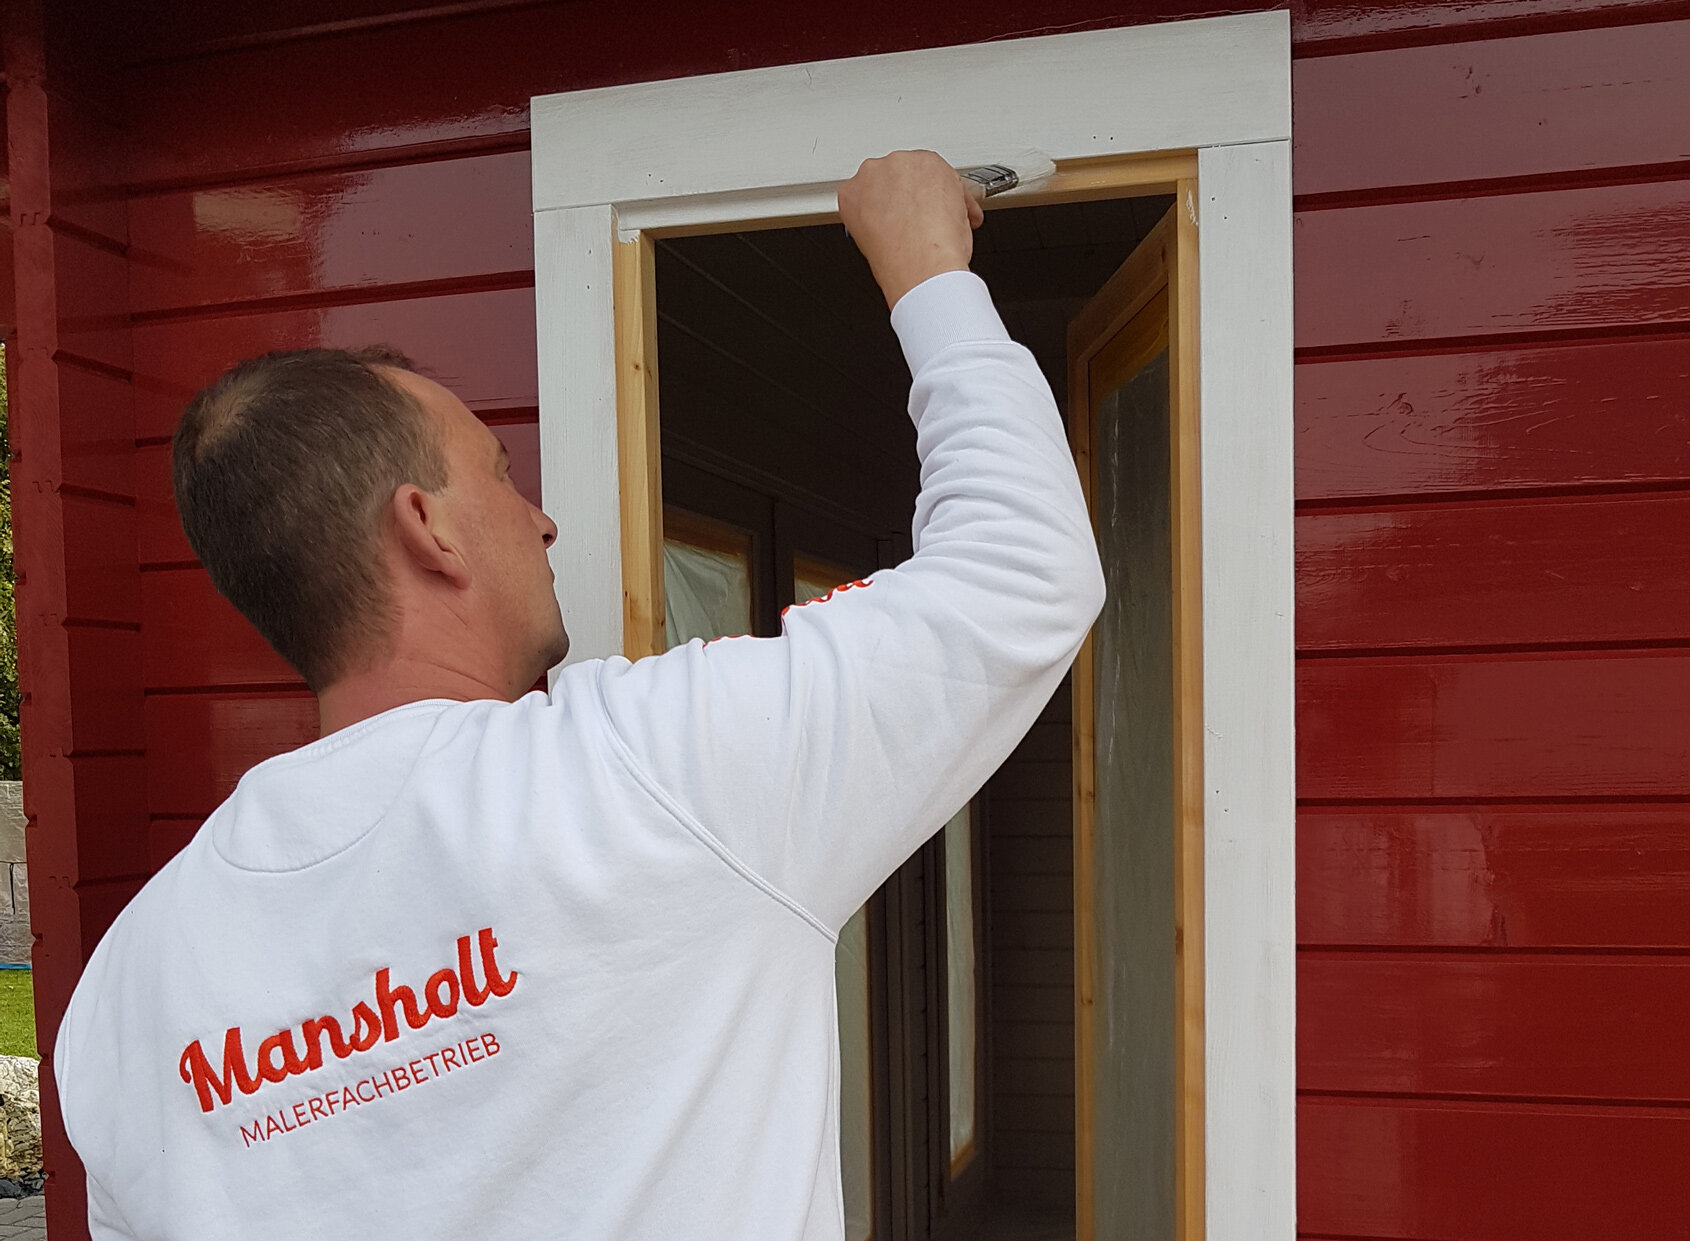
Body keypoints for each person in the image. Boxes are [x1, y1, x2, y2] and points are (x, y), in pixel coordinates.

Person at [53, 150, 1104, 1240]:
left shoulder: (122, 999)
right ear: (428, 527)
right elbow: (1021, 571)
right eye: (501, 475)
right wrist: (926, 262)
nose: (541, 519)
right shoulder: (644, 772)